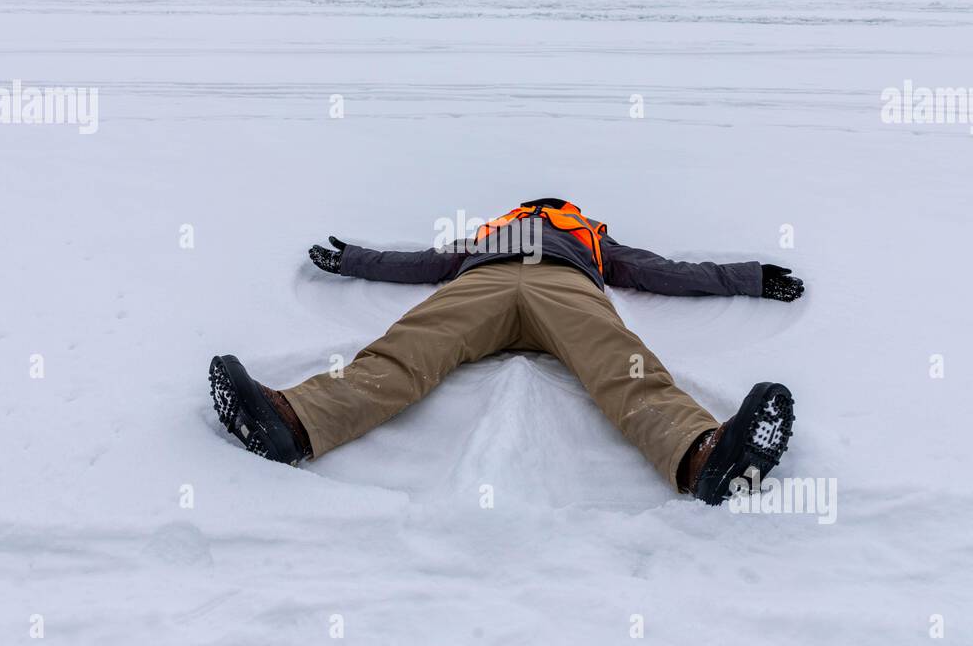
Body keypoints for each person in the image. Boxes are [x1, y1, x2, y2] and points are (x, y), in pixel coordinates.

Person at [208, 198, 804, 504]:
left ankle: (703, 457)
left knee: (623, 368)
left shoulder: (591, 235)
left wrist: (750, 276)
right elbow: (425, 262)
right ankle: (293, 421)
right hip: (483, 284)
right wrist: (354, 260)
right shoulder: (493, 232)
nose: (545, 210)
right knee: (404, 352)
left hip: (564, 287)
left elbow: (666, 273)